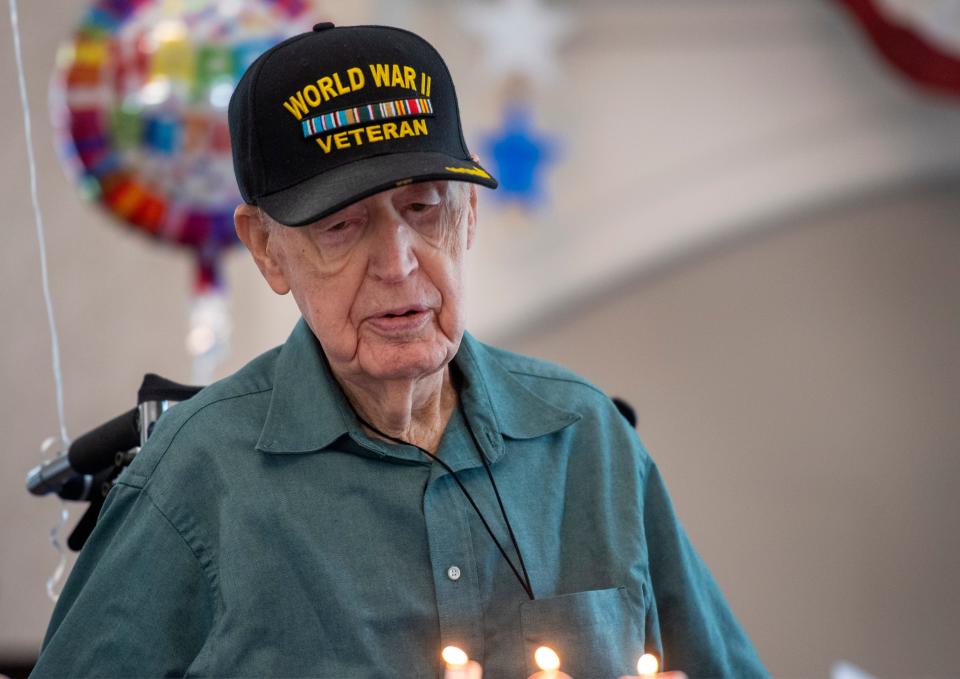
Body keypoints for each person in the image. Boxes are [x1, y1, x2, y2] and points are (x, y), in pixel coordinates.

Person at [30, 23, 770, 679]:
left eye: (424, 208)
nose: (400, 262)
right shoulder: (192, 482)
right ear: (266, 249)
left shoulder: (588, 440)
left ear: (469, 213)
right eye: (343, 226)